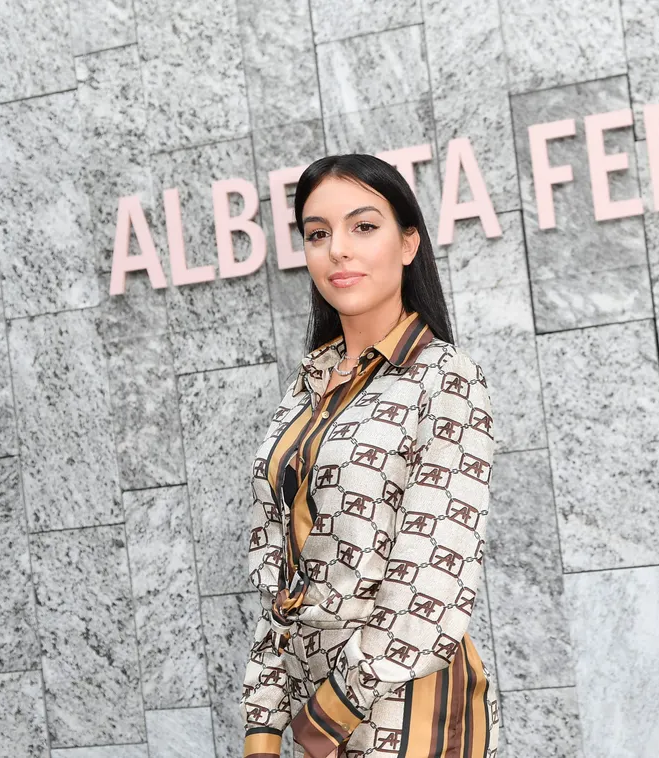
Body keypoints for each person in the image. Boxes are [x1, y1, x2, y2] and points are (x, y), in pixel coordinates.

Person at [239, 154, 500, 758]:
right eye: (318, 233)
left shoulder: (445, 378)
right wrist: (263, 721)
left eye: (363, 227)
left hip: (407, 707)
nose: (338, 251)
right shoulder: (305, 390)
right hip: (310, 707)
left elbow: (435, 577)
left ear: (409, 243)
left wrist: (327, 715)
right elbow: (281, 578)